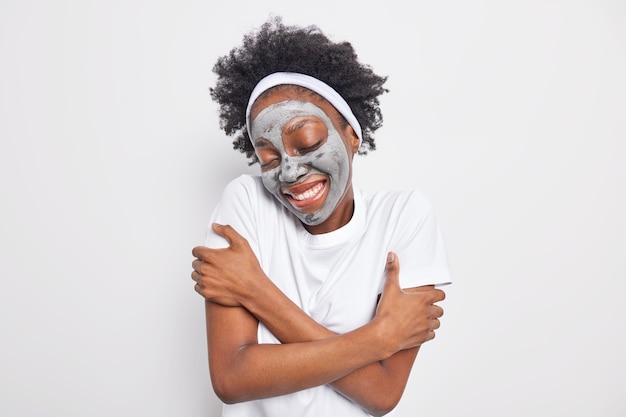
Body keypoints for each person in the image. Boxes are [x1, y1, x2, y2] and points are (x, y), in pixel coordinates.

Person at [191, 17, 452, 417]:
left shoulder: (403, 217)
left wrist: (256, 290)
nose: (289, 172)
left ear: (352, 134)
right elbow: (231, 378)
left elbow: (382, 394)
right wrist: (378, 339)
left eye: (307, 142)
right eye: (269, 157)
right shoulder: (245, 201)